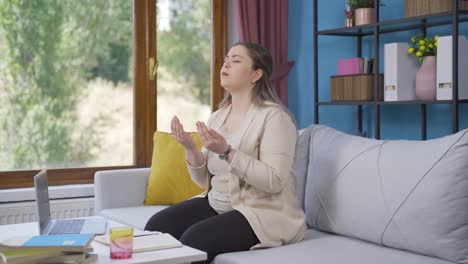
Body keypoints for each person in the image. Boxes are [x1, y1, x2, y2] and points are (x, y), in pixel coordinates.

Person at [145, 42, 307, 263]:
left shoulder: (275, 118)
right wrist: (191, 149)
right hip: (217, 204)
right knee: (156, 227)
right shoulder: (218, 117)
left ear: (256, 74)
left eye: (237, 60)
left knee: (195, 240)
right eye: (226, 59)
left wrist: (227, 152)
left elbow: (274, 180)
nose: (226, 63)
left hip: (261, 213)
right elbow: (204, 180)